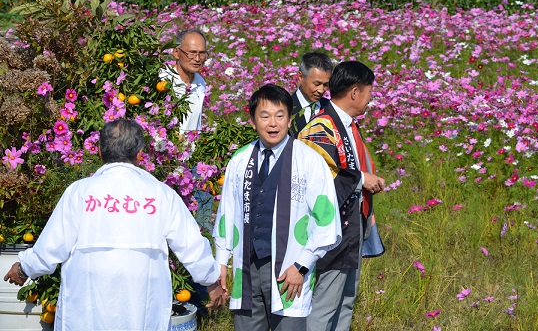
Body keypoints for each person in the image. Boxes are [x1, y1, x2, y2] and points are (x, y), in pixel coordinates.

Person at [3, 119, 224, 330]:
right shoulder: (161, 193)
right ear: (140, 154)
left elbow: (52, 246)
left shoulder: (80, 192)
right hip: (143, 301)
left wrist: (24, 268)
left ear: (100, 151)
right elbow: (191, 245)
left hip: (87, 304)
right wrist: (212, 283)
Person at [214, 84, 342, 330]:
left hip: (290, 269)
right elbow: (226, 214)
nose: (273, 123)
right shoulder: (239, 160)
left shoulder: (309, 160)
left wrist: (302, 265)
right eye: (265, 116)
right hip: (248, 267)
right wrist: (221, 260)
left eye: (280, 115)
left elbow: (325, 219)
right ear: (253, 121)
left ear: (289, 119)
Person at [298, 61, 386, 331]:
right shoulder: (320, 127)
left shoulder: (347, 124)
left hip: (351, 224)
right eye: (370, 92)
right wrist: (362, 179)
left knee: (346, 299)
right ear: (355, 92)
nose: (371, 99)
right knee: (326, 301)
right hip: (331, 227)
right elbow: (317, 180)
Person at [160, 28, 209, 132]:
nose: (197, 59)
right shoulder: (162, 80)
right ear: (176, 53)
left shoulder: (200, 83)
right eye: (192, 53)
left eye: (202, 53)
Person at [289, 52, 334, 136]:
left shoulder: (331, 108)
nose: (321, 90)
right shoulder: (286, 107)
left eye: (325, 85)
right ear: (301, 77)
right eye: (317, 84)